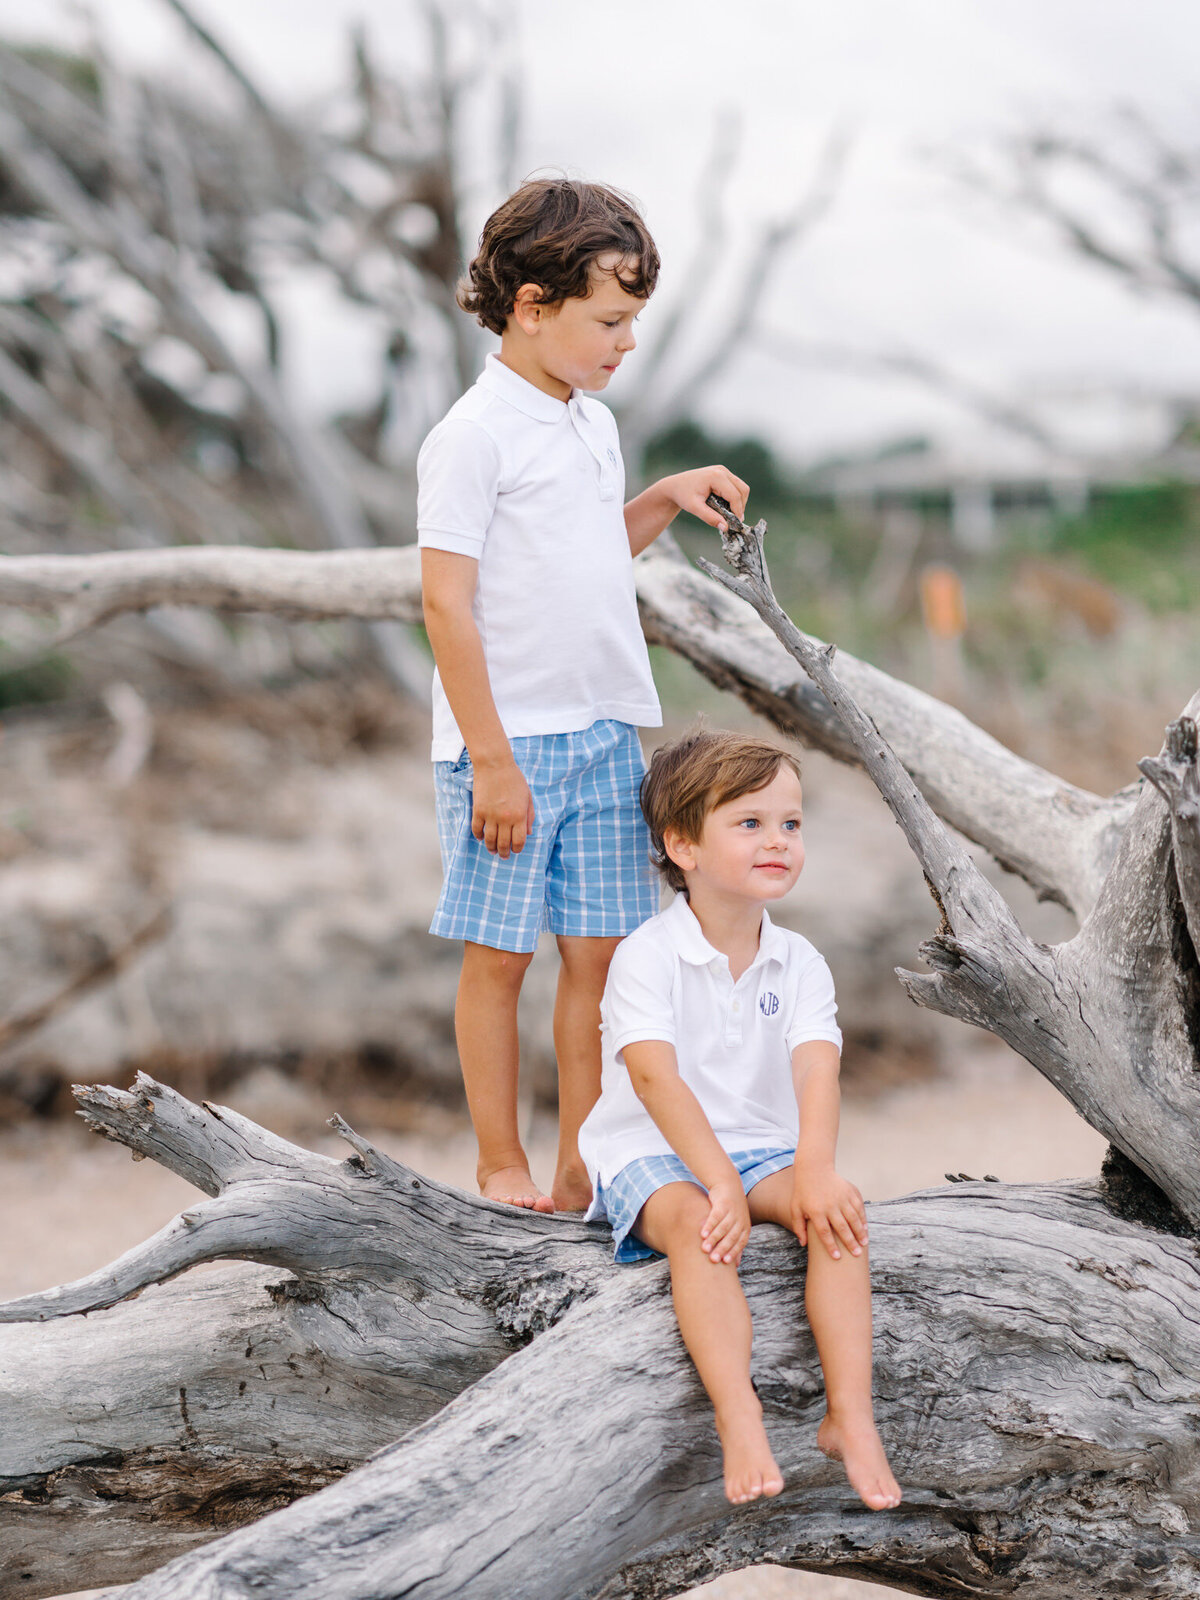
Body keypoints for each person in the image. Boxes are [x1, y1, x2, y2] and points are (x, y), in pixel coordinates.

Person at [419, 177, 749, 1214]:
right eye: (611, 320)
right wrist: (494, 762)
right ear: (530, 303)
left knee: (600, 962)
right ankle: (500, 1164)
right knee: (499, 961)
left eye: (633, 321)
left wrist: (657, 498)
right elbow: (447, 605)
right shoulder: (472, 437)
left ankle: (583, 1162)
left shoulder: (591, 426)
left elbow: (583, 558)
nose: (626, 343)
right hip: (506, 748)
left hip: (608, 736)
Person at [579, 730, 902, 1510]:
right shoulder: (646, 956)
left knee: (839, 1215)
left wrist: (816, 1171)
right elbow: (653, 1078)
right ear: (682, 845)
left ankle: (849, 1417)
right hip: (650, 1149)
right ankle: (739, 1413)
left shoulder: (799, 961)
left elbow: (816, 1069)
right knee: (698, 1226)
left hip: (759, 1147)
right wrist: (717, 1180)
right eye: (750, 823)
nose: (778, 841)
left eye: (791, 824)